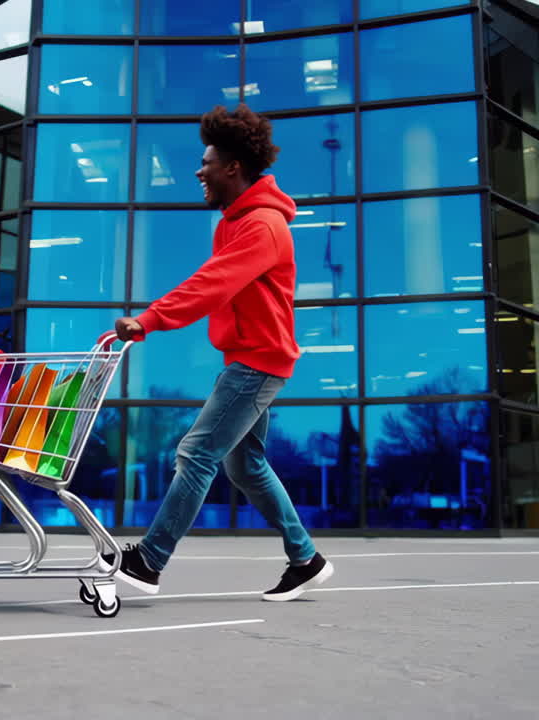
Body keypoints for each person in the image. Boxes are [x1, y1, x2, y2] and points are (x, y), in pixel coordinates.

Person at [105, 104, 334, 602]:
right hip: (249, 358)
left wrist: (148, 319)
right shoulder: (237, 223)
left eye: (206, 162)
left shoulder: (262, 227)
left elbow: (213, 284)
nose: (198, 170)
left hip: (258, 360)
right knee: (244, 465)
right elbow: (219, 284)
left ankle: (149, 560)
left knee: (197, 452)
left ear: (232, 167)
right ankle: (306, 559)